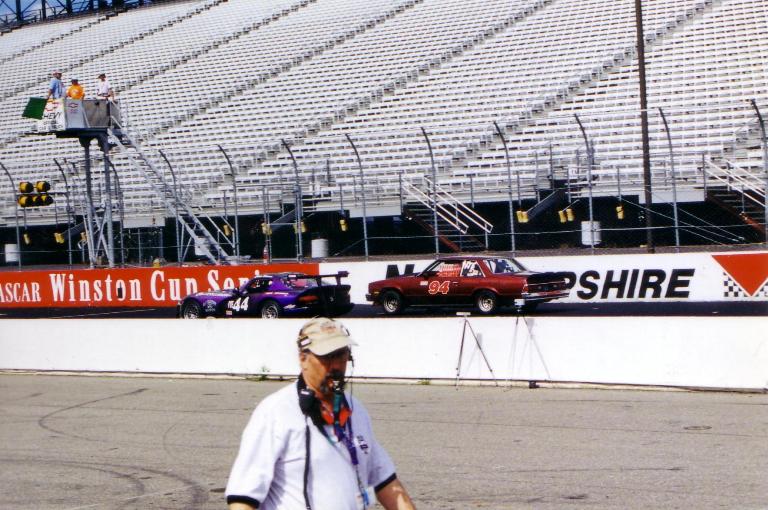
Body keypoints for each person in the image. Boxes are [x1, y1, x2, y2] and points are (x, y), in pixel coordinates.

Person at [226, 317, 416, 510]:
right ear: (303, 359)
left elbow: (386, 483)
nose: (336, 366)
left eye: (341, 354)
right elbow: (242, 499)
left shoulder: (355, 409)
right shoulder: (275, 412)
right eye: (327, 356)